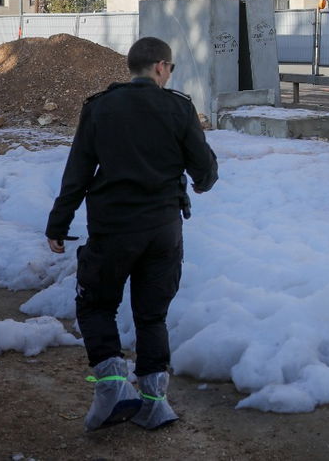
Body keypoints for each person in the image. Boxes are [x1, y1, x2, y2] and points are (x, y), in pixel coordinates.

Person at [45, 36, 218, 432]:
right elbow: (204, 169)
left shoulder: (100, 108)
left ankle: (112, 389)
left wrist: (58, 224)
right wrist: (203, 181)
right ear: (160, 67)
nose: (170, 73)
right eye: (171, 67)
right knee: (152, 315)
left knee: (96, 306)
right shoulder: (178, 107)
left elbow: (78, 172)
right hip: (163, 231)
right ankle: (155, 404)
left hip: (113, 229)